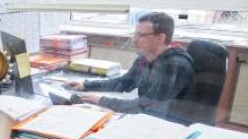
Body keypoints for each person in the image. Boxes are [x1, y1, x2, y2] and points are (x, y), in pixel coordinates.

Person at [63, 12, 196, 123]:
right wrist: (85, 85)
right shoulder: (145, 59)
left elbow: (147, 105)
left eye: (140, 35)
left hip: (170, 126)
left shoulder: (175, 65)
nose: (134, 39)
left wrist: (101, 101)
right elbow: (123, 82)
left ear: (160, 38)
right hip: (149, 119)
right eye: (134, 34)